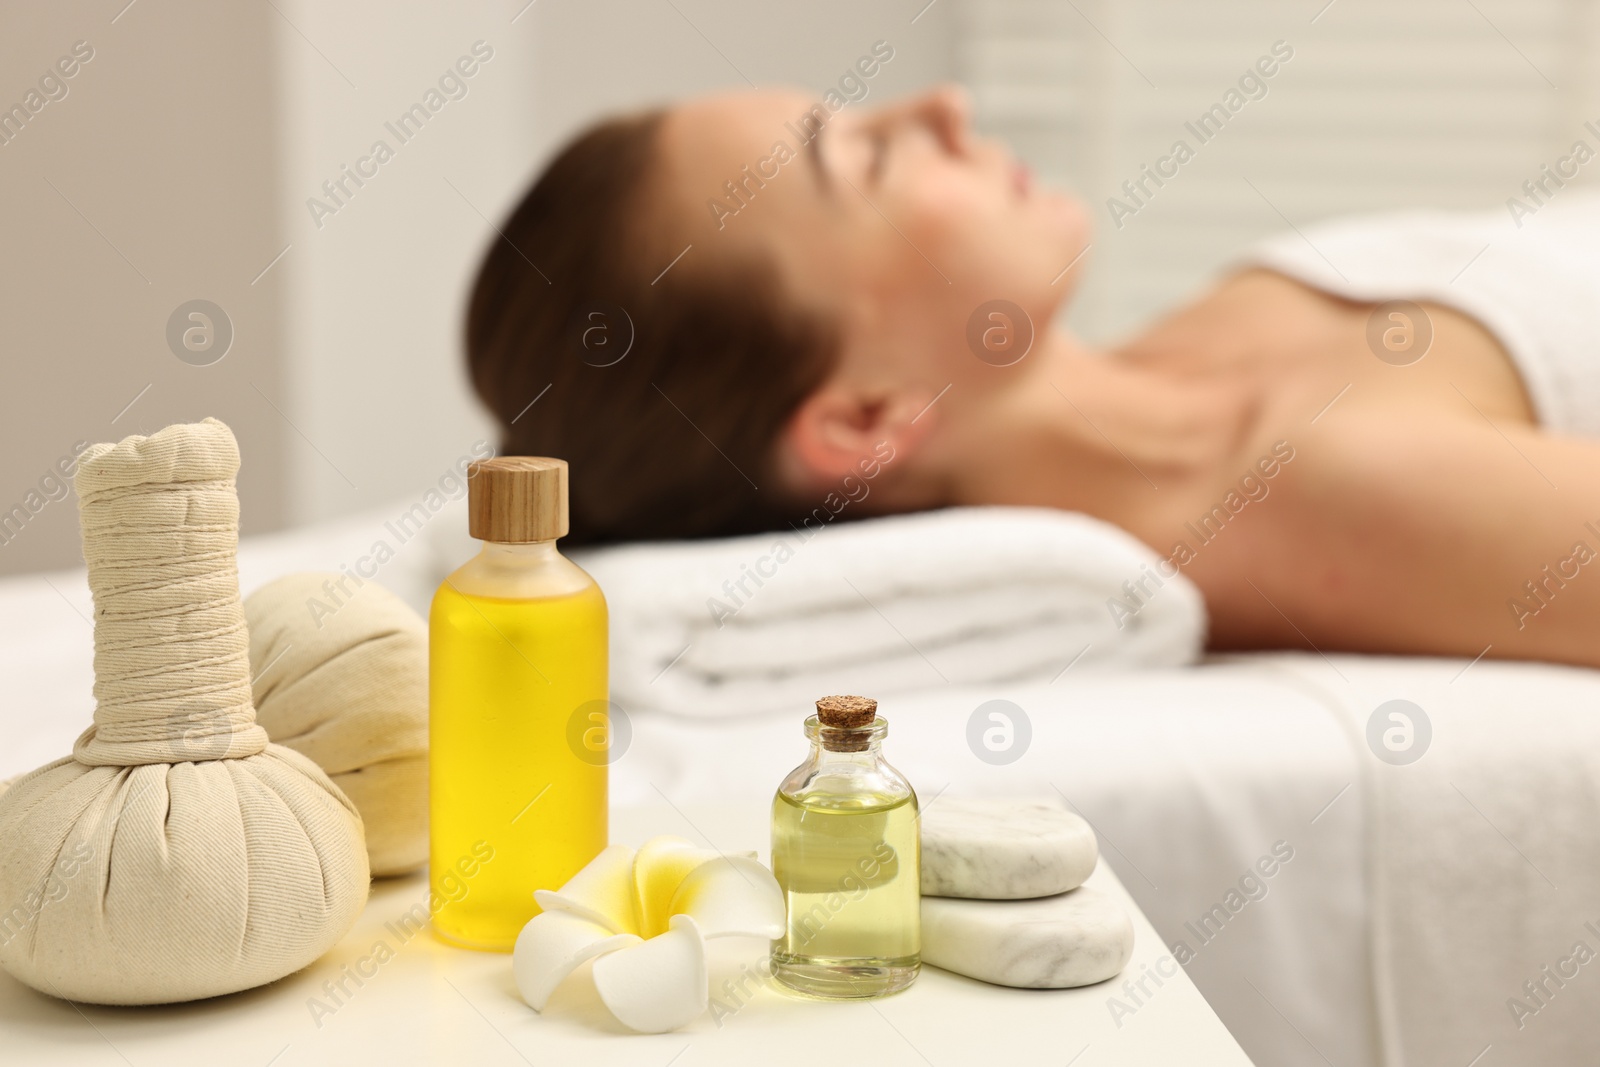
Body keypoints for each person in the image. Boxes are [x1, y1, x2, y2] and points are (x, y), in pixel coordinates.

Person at [466, 86, 1600, 669]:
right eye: (864, 155)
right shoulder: (1326, 495)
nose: (943, 108)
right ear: (866, 416)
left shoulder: (1193, 350)